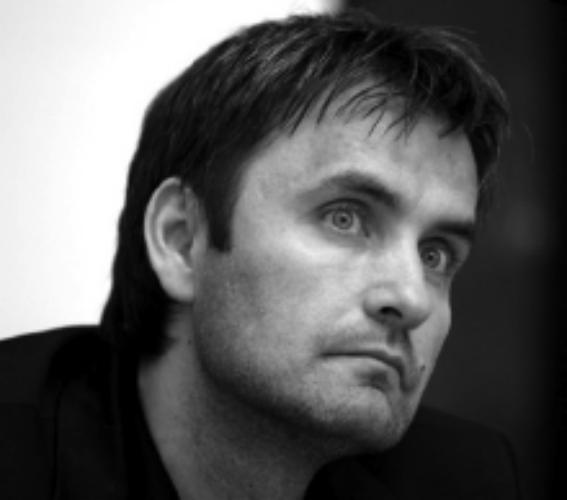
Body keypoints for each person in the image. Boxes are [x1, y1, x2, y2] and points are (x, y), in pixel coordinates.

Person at [0, 10, 522, 500]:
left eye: (435, 254)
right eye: (345, 218)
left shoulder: (465, 479)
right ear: (182, 240)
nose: (412, 298)